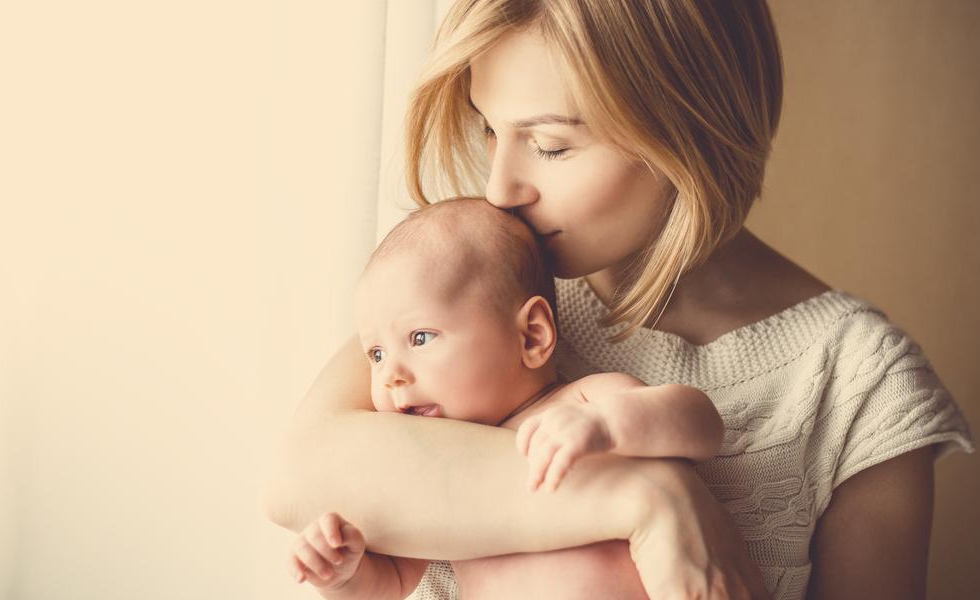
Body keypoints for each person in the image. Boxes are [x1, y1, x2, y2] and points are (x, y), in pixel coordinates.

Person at [264, 2, 975, 599]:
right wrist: (654, 501)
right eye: (490, 129)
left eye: (549, 144)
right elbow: (299, 480)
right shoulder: (470, 293)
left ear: (686, 128)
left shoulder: (857, 380)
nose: (501, 189)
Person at [288, 197, 726, 599]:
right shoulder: (436, 476)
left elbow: (703, 426)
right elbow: (394, 584)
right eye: (376, 354)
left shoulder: (582, 405)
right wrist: (344, 573)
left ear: (532, 335)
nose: (391, 377)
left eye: (420, 337)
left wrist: (609, 426)